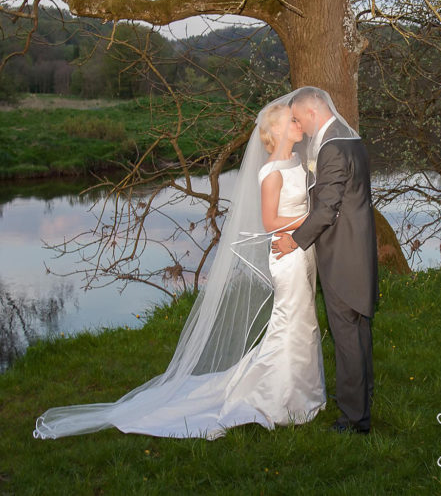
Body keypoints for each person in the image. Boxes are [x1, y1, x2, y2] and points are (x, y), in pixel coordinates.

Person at [33, 92, 325, 439]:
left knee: (304, 319)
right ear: (275, 132)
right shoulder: (272, 172)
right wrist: (310, 219)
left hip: (301, 252)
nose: (298, 124)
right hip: (286, 255)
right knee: (291, 320)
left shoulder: (297, 163)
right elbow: (268, 221)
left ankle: (302, 392)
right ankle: (277, 398)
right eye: (291, 121)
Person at [272, 86, 378, 435]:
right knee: (358, 333)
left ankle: (353, 419)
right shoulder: (351, 140)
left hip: (342, 255)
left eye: (300, 118)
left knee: (346, 334)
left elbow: (327, 208)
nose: (300, 126)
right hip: (358, 250)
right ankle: (361, 401)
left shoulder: (332, 147)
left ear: (313, 112)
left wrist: (294, 242)